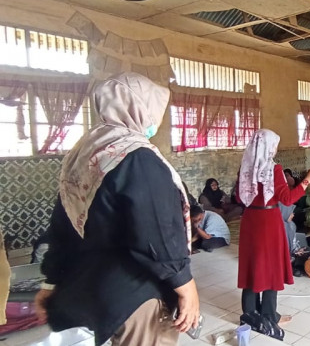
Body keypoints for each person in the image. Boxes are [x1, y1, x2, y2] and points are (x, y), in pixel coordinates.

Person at [34, 73, 199, 346]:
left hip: (90, 287)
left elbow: (61, 225)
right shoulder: (138, 158)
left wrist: (50, 280)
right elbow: (156, 233)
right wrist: (185, 284)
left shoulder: (86, 153)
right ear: (140, 108)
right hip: (136, 294)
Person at [236, 129, 310, 338]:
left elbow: (239, 197)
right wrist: (307, 180)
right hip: (268, 222)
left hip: (250, 220)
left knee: (252, 265)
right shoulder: (274, 169)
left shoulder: (246, 167)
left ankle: (249, 314)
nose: (275, 149)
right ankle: (269, 315)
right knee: (270, 267)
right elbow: (288, 198)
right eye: (274, 145)